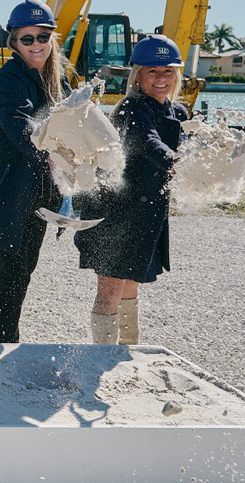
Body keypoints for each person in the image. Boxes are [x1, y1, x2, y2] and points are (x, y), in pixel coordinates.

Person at [0, 0, 69, 344]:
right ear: (14, 42)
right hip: (8, 194)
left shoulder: (58, 82)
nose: (36, 44)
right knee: (11, 277)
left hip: (37, 194)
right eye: (27, 39)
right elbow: (22, 129)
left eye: (43, 37)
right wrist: (57, 153)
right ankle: (1, 343)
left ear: (52, 39)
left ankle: (1, 341)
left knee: (21, 276)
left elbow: (74, 124)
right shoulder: (7, 81)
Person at [75, 35, 188, 345]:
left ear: (176, 75)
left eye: (168, 70)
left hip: (148, 214)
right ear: (137, 75)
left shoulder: (179, 112)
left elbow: (191, 143)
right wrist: (176, 159)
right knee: (110, 288)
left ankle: (127, 350)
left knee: (132, 282)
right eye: (152, 71)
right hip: (116, 212)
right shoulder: (131, 108)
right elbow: (149, 141)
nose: (161, 77)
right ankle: (102, 355)